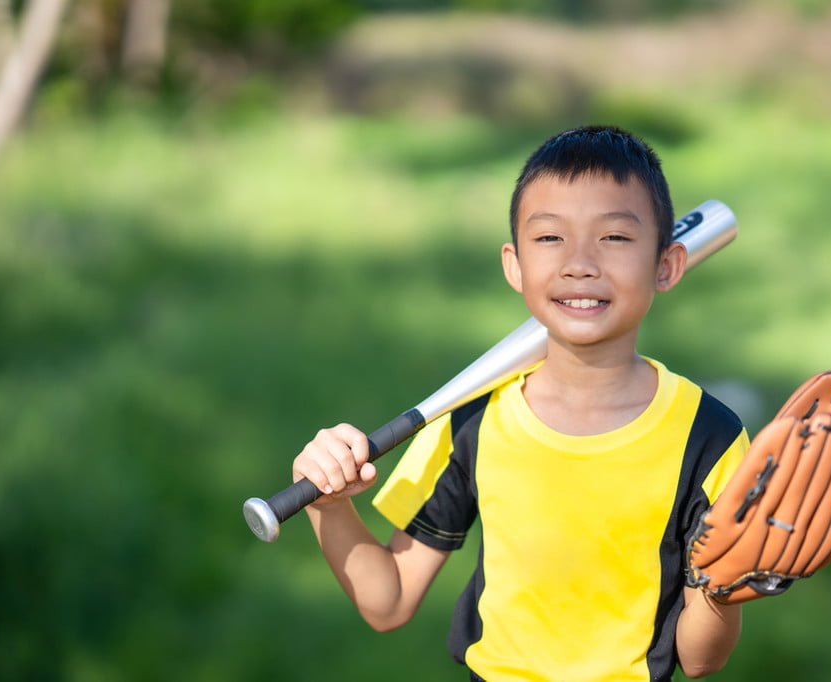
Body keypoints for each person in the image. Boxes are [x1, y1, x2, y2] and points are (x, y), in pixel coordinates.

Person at [293, 126, 749, 681]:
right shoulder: (472, 418)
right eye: (550, 238)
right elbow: (387, 601)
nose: (580, 263)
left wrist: (725, 590)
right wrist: (328, 506)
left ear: (667, 265)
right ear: (514, 265)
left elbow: (702, 660)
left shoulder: (709, 437)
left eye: (616, 238)